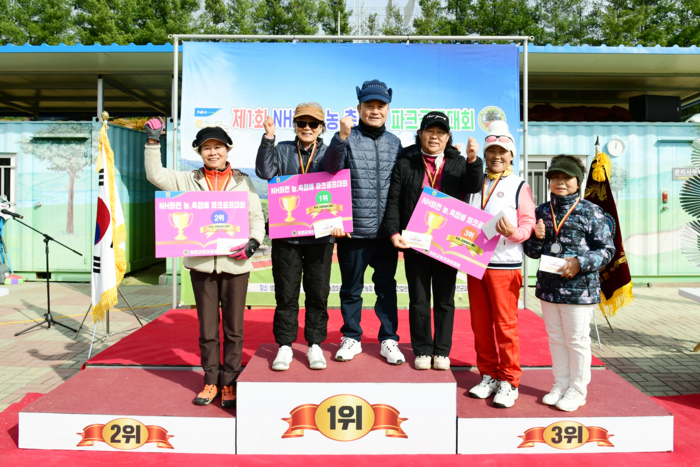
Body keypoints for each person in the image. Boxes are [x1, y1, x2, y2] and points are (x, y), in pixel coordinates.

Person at [143, 118, 265, 408]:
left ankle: (230, 382)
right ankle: (211, 381)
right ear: (199, 152)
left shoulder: (243, 181)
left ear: (227, 150)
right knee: (208, 330)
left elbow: (256, 217)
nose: (213, 152)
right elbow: (155, 175)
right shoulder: (188, 179)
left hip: (236, 266)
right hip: (201, 266)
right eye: (206, 148)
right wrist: (152, 142)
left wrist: (253, 243)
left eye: (218, 147)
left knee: (234, 329)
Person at [382, 111, 483, 370]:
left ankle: (442, 351)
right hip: (414, 240)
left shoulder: (458, 162)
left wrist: (473, 160)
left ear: (448, 137)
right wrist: (393, 232)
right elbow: (394, 200)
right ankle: (422, 350)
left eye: (440, 132)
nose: (434, 137)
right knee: (418, 298)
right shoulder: (406, 163)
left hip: (447, 242)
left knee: (445, 300)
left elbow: (473, 186)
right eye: (430, 131)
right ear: (420, 134)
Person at [524, 154, 615, 412]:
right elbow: (531, 253)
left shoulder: (590, 211)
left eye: (566, 177)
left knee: (576, 340)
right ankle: (561, 384)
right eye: (555, 177)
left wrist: (579, 262)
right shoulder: (541, 211)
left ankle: (577, 390)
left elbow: (607, 250)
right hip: (548, 289)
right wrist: (537, 238)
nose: (560, 182)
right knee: (555, 338)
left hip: (579, 291)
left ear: (578, 181)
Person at [323, 79, 404, 365]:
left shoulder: (395, 142)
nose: (375, 110)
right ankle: (352, 337)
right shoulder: (347, 137)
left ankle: (389, 339)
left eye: (381, 105)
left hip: (386, 233)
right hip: (353, 231)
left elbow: (401, 186)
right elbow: (330, 169)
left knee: (387, 289)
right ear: (359, 108)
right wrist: (340, 138)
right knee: (351, 289)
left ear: (388, 109)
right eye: (369, 105)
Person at [256, 102, 333, 371]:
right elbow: (265, 172)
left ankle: (315, 344)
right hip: (286, 235)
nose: (307, 128)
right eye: (302, 123)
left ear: (321, 127)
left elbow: (339, 184)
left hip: (320, 236)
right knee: (286, 293)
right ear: (295, 126)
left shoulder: (330, 153)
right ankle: (285, 345)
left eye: (313, 124)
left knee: (318, 293)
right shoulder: (281, 149)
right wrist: (268, 138)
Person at [464, 121, 536, 408]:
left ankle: (509, 380)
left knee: (505, 326)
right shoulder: (474, 182)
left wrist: (514, 233)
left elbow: (528, 223)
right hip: (475, 262)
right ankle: (488, 375)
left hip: (505, 265)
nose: (496, 156)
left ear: (511, 155)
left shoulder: (519, 185)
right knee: (480, 325)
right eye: (491, 151)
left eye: (502, 152)